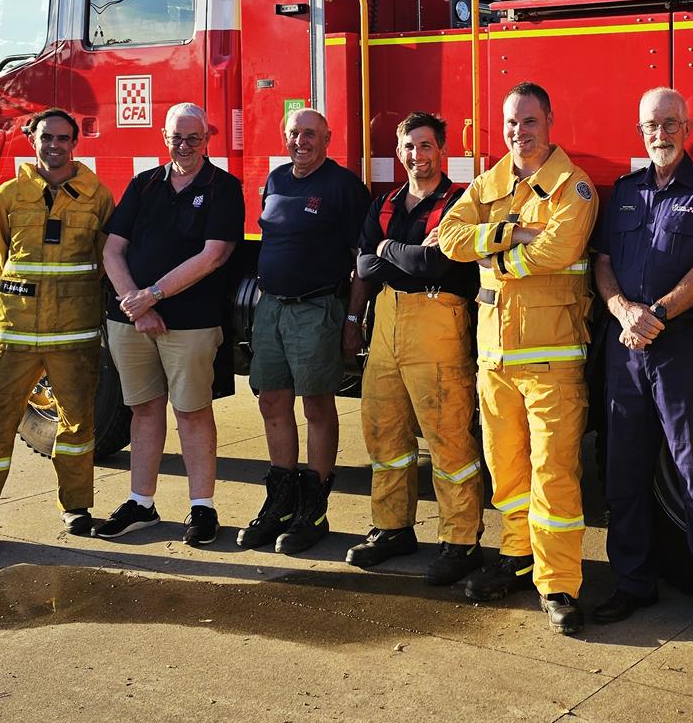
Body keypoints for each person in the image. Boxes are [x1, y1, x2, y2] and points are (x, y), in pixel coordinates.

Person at [437, 82, 598, 635]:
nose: (518, 132)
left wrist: (496, 260)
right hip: (495, 359)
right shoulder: (491, 181)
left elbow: (559, 248)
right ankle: (517, 555)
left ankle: (560, 583)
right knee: (505, 469)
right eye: (511, 122)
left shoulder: (573, 186)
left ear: (549, 120)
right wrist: (512, 232)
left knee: (554, 475)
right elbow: (449, 237)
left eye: (529, 121)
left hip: (552, 361)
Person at [592, 87, 693, 646]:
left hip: (680, 349)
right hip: (625, 348)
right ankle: (633, 583)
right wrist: (621, 309)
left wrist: (655, 314)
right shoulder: (625, 191)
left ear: (688, 128)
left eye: (670, 124)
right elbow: (603, 262)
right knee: (624, 473)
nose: (661, 134)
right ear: (641, 132)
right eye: (651, 126)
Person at [0, 109, 114, 561]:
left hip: (74, 333)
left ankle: (77, 509)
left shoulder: (97, 196)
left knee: (77, 425)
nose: (55, 146)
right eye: (47, 137)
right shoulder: (10, 194)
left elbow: (105, 260)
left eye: (64, 138)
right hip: (16, 333)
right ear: (33, 140)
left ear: (75, 143)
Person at [98, 102, 244, 546]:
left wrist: (153, 295)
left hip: (191, 324)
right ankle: (141, 502)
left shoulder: (223, 188)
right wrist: (136, 305)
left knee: (192, 413)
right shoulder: (143, 184)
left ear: (207, 139)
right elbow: (111, 250)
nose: (184, 145)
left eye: (193, 138)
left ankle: (202, 507)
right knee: (143, 410)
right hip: (132, 321)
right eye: (177, 137)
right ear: (165, 138)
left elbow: (213, 255)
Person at [348, 111, 484, 583]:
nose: (416, 155)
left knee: (448, 437)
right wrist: (401, 255)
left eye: (425, 145)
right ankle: (392, 528)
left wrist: (388, 250)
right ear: (398, 152)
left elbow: (435, 265)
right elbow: (364, 267)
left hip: (438, 324)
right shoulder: (385, 203)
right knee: (384, 432)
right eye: (408, 146)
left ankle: (461, 541)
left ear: (442, 151)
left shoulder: (459, 202)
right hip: (387, 321)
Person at [237, 107, 370, 555]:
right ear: (284, 135)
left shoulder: (343, 187)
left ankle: (313, 510)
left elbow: (362, 260)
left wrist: (352, 320)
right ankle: (280, 503)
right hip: (272, 308)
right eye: (295, 133)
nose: (301, 141)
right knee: (271, 400)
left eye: (311, 134)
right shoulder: (276, 179)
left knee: (316, 404)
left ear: (328, 139)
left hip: (317, 308)